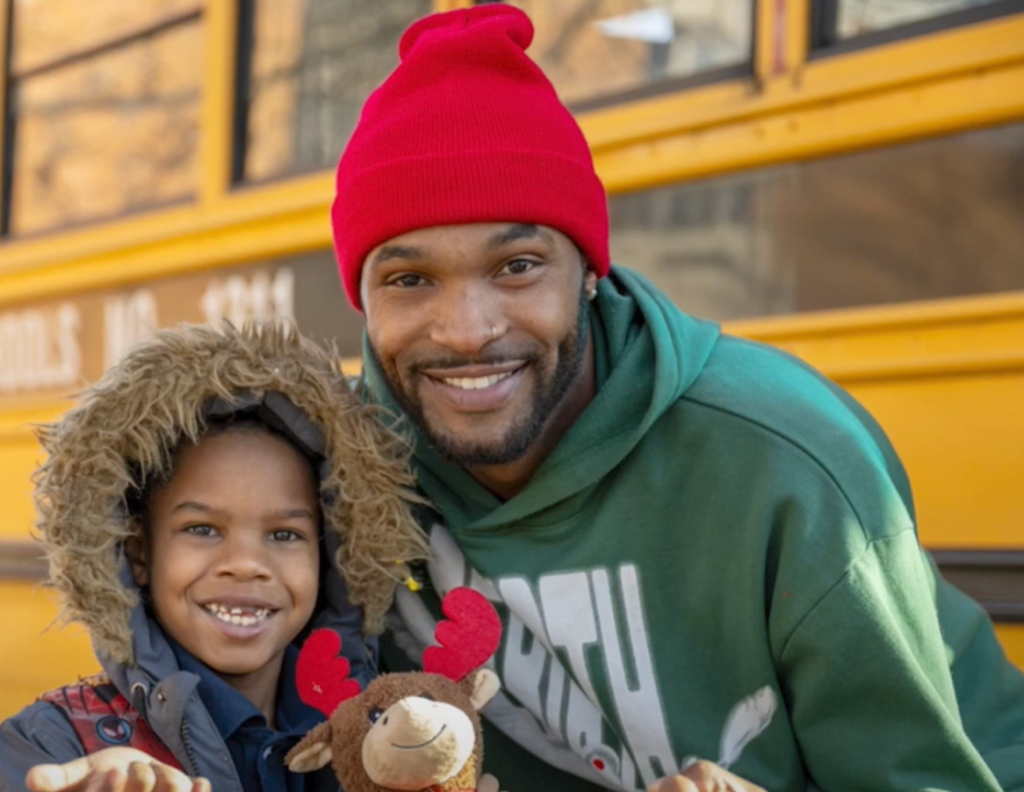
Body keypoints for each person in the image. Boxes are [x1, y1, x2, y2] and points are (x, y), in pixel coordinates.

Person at [329, 5, 1024, 792]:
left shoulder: (787, 460)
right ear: (362, 300)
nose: (465, 330)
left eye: (518, 266)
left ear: (589, 272)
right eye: (409, 279)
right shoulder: (336, 475)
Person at [0, 323, 429, 792]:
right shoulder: (52, 745)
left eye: (285, 534)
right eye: (202, 530)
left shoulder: (389, 737)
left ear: (332, 557)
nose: (245, 563)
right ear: (137, 552)